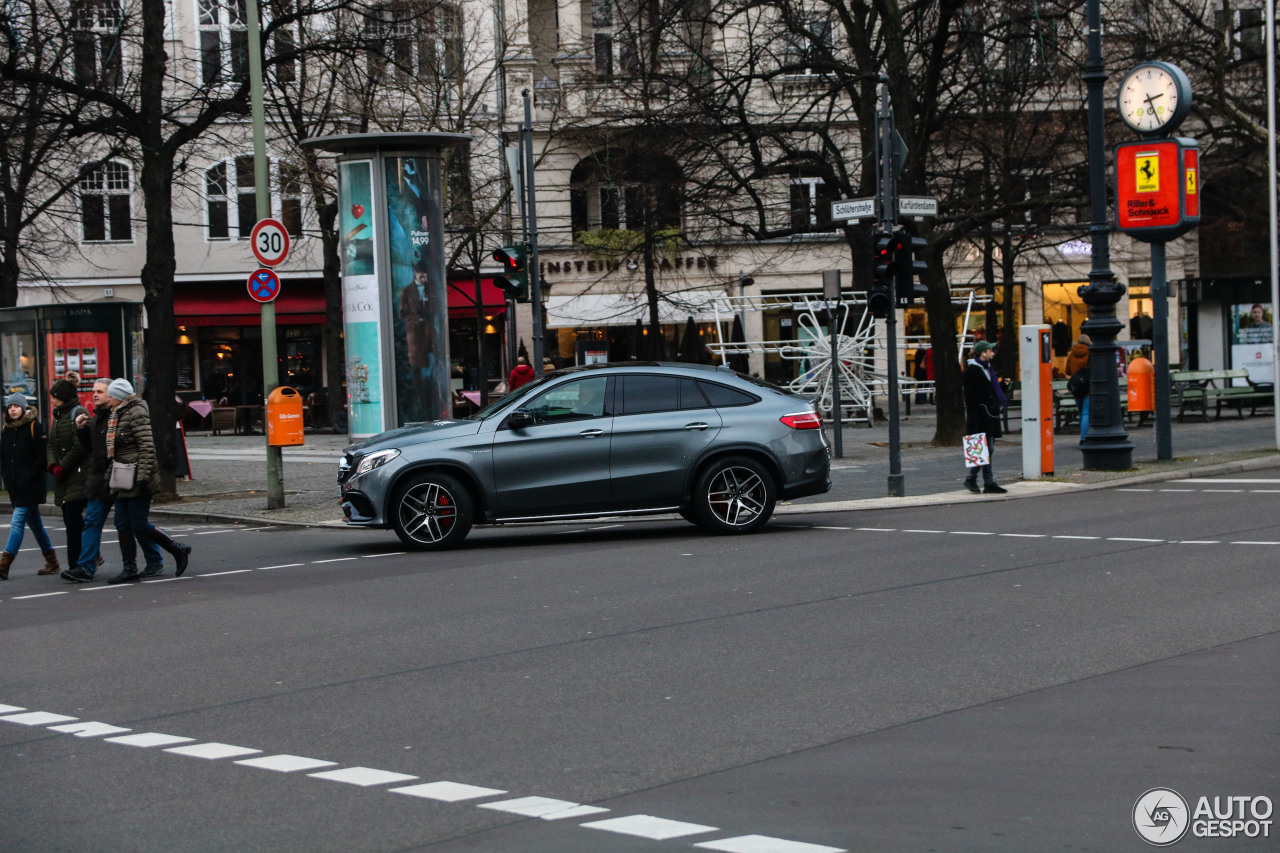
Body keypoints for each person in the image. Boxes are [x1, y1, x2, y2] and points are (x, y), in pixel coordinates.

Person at [102, 379, 192, 584]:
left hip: (137, 476)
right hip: (122, 476)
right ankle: (129, 568)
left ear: (119, 397)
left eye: (111, 395)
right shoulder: (117, 413)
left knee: (139, 524)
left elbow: (147, 447)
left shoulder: (136, 412)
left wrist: (142, 477)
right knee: (121, 523)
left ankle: (177, 549)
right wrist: (109, 478)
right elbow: (116, 452)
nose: (108, 399)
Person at [0, 392, 59, 579]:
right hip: (15, 486)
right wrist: (6, 476)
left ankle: (4, 564)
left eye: (16, 406)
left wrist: (28, 476)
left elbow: (42, 456)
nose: (13, 410)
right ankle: (52, 560)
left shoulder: (35, 426)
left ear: (23, 408)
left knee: (17, 522)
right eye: (10, 407)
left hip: (31, 486)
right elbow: (4, 458)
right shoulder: (5, 430)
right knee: (36, 525)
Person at [61, 379, 114, 583]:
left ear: (112, 395)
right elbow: (91, 448)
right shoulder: (97, 416)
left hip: (119, 476)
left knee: (134, 524)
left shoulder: (117, 416)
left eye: (100, 391)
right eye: (94, 391)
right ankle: (85, 567)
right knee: (91, 521)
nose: (95, 395)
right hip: (100, 478)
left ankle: (157, 556)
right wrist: (82, 430)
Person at [47, 373, 90, 572]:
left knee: (73, 521)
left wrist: (62, 466)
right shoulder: (57, 416)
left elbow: (81, 445)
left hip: (78, 475)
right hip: (64, 478)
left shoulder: (77, 412)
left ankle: (77, 564)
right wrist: (53, 465)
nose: (52, 399)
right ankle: (82, 559)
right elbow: (50, 444)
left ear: (63, 396)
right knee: (69, 521)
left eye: (55, 396)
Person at [962, 341, 1007, 495]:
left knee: (988, 448)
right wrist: (973, 419)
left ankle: (983, 481)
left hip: (990, 413)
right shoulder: (972, 371)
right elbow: (970, 397)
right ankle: (978, 480)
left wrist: (1002, 388)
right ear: (983, 353)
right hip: (981, 415)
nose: (993, 353)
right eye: (990, 351)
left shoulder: (987, 368)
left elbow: (991, 389)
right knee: (986, 449)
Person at [1068, 355, 1091, 438]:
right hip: (1087, 388)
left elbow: (1067, 370)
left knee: (1081, 412)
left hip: (1076, 386)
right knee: (1086, 413)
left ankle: (1083, 434)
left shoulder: (1072, 355)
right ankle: (1083, 437)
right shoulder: (1088, 353)